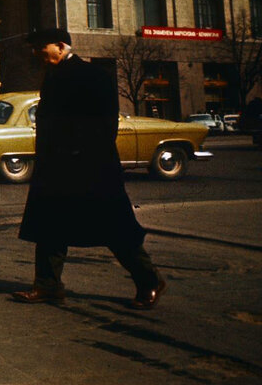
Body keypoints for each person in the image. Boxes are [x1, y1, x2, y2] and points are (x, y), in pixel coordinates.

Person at [12, 28, 166, 309]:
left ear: (60, 46)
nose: (36, 54)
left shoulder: (91, 75)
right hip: (56, 166)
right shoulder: (52, 75)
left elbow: (106, 123)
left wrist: (81, 153)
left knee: (114, 227)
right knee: (50, 226)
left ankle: (149, 280)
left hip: (90, 167)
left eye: (40, 48)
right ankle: (48, 286)